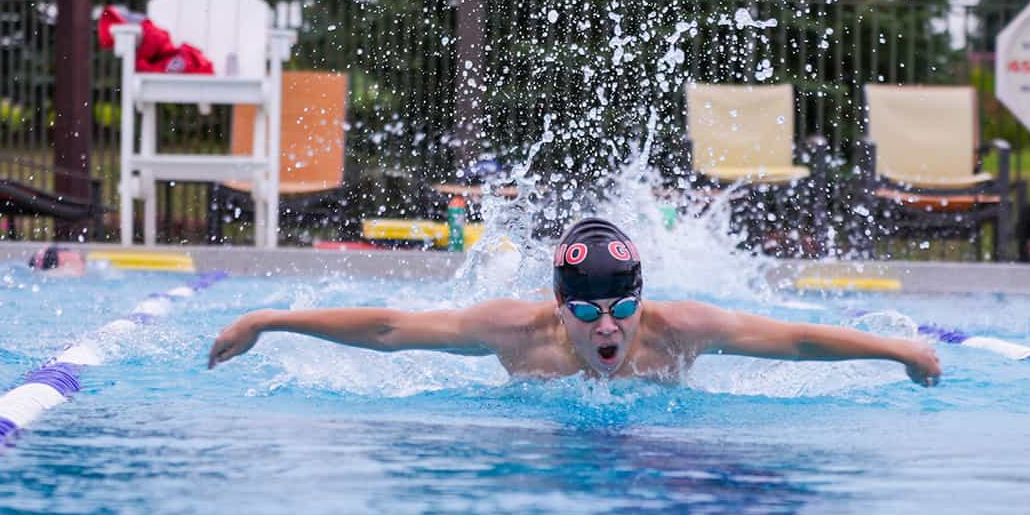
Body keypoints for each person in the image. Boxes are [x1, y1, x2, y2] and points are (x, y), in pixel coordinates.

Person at [208, 218, 940, 386]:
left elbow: (796, 340)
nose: (608, 326)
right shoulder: (515, 331)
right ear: (558, 308)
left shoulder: (679, 330)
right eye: (587, 313)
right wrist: (268, 320)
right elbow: (391, 328)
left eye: (621, 309)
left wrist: (899, 350)